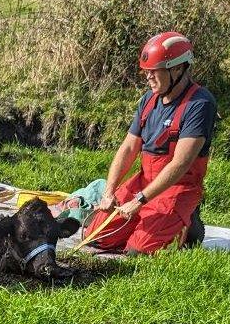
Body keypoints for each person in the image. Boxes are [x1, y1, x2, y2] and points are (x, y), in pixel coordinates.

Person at [87, 32, 217, 255]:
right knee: (96, 236)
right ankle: (151, 221)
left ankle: (189, 224)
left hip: (177, 186)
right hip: (145, 182)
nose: (148, 78)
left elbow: (180, 164)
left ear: (177, 69)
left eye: (154, 72)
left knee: (138, 251)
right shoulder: (149, 100)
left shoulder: (200, 104)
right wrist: (109, 192)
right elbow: (128, 149)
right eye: (146, 72)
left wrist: (139, 201)